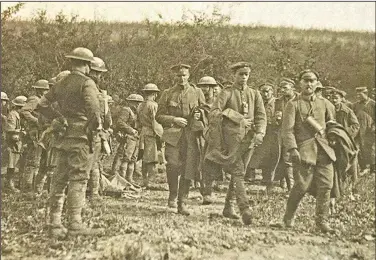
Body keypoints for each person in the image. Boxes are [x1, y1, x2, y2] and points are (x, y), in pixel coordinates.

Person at [37, 47, 103, 238]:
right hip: (81, 138)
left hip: (63, 137)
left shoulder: (61, 82)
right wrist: (92, 130)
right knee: (79, 179)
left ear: (72, 62)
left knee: (59, 180)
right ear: (87, 65)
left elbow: (41, 105)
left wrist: (57, 118)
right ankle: (75, 224)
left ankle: (54, 223)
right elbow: (94, 113)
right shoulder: (87, 83)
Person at [205, 62, 266, 225]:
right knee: (238, 172)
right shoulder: (226, 93)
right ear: (234, 75)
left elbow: (261, 116)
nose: (243, 77)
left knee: (240, 172)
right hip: (231, 141)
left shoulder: (255, 94)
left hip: (250, 140)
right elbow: (214, 112)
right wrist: (237, 117)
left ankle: (228, 206)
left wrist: (260, 132)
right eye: (240, 74)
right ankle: (244, 208)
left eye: (246, 74)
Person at [281, 69, 336, 233]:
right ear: (300, 83)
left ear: (317, 83)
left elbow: (332, 124)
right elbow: (287, 130)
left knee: (326, 185)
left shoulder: (325, 103)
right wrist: (292, 149)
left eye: (312, 80)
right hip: (304, 151)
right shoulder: (293, 104)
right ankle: (288, 217)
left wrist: (333, 138)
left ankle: (322, 221)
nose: (309, 84)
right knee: (301, 186)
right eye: (306, 80)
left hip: (324, 151)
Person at [156, 64, 206, 215]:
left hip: (191, 135)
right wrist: (174, 119)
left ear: (189, 75)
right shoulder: (168, 93)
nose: (181, 78)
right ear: (174, 77)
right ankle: (172, 193)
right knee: (172, 164)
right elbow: (158, 116)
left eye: (184, 75)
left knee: (188, 167)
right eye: (178, 75)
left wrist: (199, 115)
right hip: (173, 135)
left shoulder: (197, 92)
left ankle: (182, 201)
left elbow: (207, 111)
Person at [86, 57, 112, 203]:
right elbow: (107, 120)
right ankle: (94, 193)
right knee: (94, 163)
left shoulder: (75, 87)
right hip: (94, 132)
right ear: (97, 74)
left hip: (77, 131)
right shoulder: (101, 94)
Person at [247, 81, 280, 191]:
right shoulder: (258, 103)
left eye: (267, 91)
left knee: (272, 157)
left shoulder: (277, 103)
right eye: (263, 92)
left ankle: (271, 180)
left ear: (272, 91)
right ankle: (254, 177)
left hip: (273, 133)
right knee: (258, 155)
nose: (265, 94)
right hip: (260, 132)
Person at [19, 79, 51, 193]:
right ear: (41, 90)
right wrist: (36, 121)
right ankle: (27, 188)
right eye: (46, 90)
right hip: (35, 132)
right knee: (32, 161)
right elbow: (24, 111)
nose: (47, 91)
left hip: (40, 132)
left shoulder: (42, 100)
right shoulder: (35, 99)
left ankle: (33, 188)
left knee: (39, 161)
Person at [112, 93, 144, 183]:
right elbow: (120, 122)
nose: (137, 104)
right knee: (125, 157)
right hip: (128, 137)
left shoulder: (137, 113)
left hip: (136, 138)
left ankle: (129, 178)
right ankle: (120, 177)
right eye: (135, 102)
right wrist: (131, 130)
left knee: (133, 159)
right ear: (130, 102)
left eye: (139, 103)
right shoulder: (126, 110)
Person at [273, 78, 298, 191]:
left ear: (292, 88)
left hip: (296, 133)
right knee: (282, 158)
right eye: (281, 88)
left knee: (292, 159)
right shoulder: (278, 101)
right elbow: (276, 116)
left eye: (285, 88)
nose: (282, 90)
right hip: (281, 133)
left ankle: (293, 186)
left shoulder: (299, 100)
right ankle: (287, 184)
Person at [138, 83, 163, 188]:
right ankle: (151, 181)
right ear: (154, 94)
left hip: (143, 131)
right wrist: (160, 133)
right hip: (151, 132)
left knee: (144, 156)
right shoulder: (153, 105)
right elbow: (154, 120)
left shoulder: (140, 105)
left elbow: (137, 121)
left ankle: (145, 180)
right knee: (152, 158)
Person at [4, 96, 27, 193]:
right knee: (10, 165)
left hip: (16, 143)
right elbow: (9, 129)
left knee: (13, 164)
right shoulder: (13, 115)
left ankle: (10, 184)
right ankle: (9, 185)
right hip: (11, 143)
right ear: (20, 107)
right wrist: (21, 131)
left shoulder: (17, 115)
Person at [352, 87, 375, 174]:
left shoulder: (373, 104)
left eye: (360, 94)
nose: (358, 96)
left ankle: (373, 169)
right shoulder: (355, 105)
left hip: (370, 131)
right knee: (359, 149)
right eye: (357, 94)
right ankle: (363, 167)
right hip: (359, 130)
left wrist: (373, 127)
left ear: (366, 94)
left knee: (371, 149)